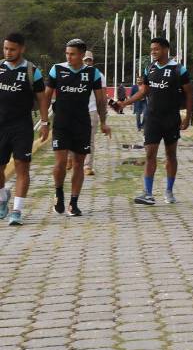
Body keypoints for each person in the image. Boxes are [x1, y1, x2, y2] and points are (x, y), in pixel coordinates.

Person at [119, 37, 193, 205]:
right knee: (150, 154)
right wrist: (125, 102)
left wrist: (187, 116)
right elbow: (144, 91)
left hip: (171, 118)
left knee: (170, 155)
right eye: (151, 49)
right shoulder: (150, 68)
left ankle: (169, 191)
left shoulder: (178, 69)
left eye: (156, 49)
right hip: (152, 118)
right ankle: (148, 193)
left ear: (166, 50)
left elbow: (189, 94)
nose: (153, 52)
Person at [45, 38, 111, 216]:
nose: (69, 57)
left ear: (82, 55)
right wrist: (44, 121)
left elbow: (100, 99)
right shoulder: (56, 69)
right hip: (61, 123)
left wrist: (103, 122)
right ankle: (58, 193)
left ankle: (73, 203)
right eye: (67, 53)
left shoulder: (92, 73)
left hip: (82, 123)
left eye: (72, 54)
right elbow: (46, 95)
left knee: (79, 164)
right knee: (60, 162)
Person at [0, 33, 50, 226]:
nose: (8, 52)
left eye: (12, 49)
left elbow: (42, 99)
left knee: (22, 166)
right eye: (5, 48)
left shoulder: (32, 71)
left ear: (22, 49)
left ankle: (17, 211)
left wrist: (45, 123)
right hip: (1, 125)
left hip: (22, 126)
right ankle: (3, 198)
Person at [82, 51, 100, 176]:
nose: (87, 62)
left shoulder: (97, 75)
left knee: (90, 140)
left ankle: (87, 165)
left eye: (89, 60)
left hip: (92, 110)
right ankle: (71, 158)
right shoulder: (74, 74)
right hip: (76, 111)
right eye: (85, 60)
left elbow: (102, 96)